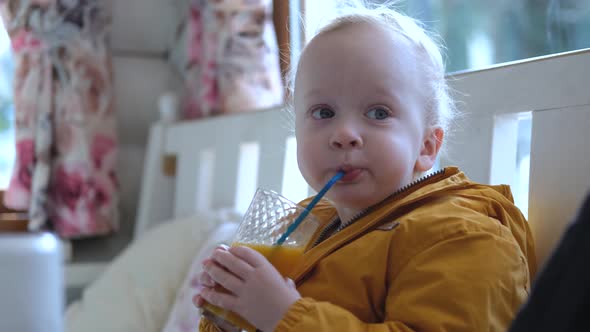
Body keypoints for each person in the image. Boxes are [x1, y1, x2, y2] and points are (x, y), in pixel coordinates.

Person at [193, 1, 537, 331]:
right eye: (324, 112)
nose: (344, 134)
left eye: (378, 113)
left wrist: (284, 315)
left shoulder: (463, 238)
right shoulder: (303, 226)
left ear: (427, 146)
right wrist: (232, 314)